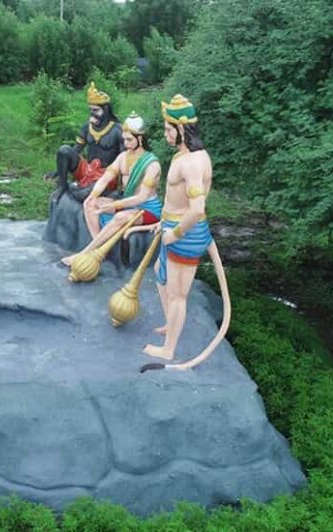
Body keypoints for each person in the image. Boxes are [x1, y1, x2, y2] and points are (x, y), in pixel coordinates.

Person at [143, 94, 217, 360]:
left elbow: (196, 209)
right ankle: (170, 323)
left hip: (185, 234)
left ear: (182, 129)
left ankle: (169, 349)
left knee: (177, 295)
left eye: (168, 129)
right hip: (173, 226)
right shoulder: (185, 156)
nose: (165, 134)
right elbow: (179, 200)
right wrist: (164, 223)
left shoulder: (193, 162)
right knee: (159, 272)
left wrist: (174, 234)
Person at [61, 112, 162, 266]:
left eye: (129, 139)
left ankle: (84, 253)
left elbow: (141, 197)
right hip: (127, 204)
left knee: (120, 217)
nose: (126, 143)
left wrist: (114, 205)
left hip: (147, 210)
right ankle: (98, 249)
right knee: (90, 204)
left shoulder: (152, 164)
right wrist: (93, 195)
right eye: (124, 139)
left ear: (140, 139)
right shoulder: (122, 157)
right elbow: (105, 178)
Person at [47, 82, 124, 202]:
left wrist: (122, 186)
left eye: (96, 110)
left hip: (107, 176)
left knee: (84, 194)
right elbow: (76, 150)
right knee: (64, 150)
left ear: (106, 110)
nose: (92, 114)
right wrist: (59, 171)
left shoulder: (118, 130)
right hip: (87, 170)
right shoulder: (86, 127)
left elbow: (124, 160)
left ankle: (78, 189)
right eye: (91, 110)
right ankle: (62, 185)